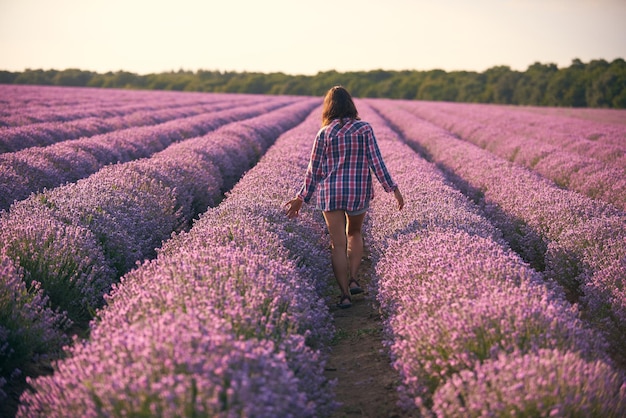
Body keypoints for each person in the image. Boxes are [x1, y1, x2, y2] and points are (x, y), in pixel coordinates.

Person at [284, 86, 404, 309]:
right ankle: (354, 278)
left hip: (331, 192)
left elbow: (314, 170)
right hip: (357, 191)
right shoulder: (364, 129)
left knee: (337, 245)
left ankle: (345, 294)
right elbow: (376, 162)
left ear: (328, 106)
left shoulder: (325, 133)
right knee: (355, 232)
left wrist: (301, 198)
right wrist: (393, 188)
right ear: (351, 104)